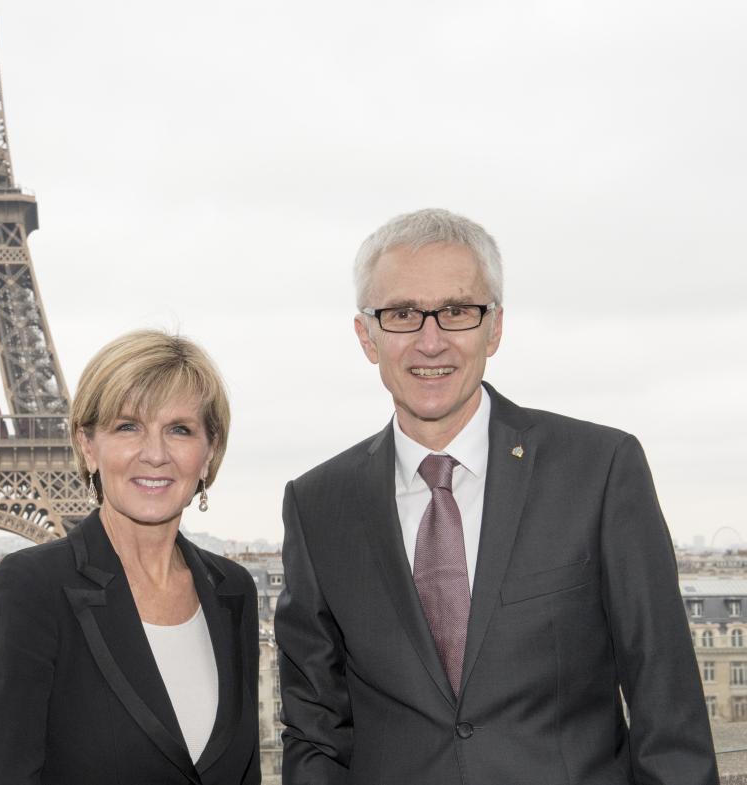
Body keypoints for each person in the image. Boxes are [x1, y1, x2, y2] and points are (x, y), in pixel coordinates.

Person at [275, 208, 718, 784]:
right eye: (403, 314)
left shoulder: (600, 469)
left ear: (495, 327)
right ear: (367, 336)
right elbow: (315, 731)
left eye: (457, 311)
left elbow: (668, 707)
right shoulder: (318, 505)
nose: (430, 342)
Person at [0, 330, 260, 785]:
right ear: (88, 446)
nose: (155, 454)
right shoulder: (34, 587)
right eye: (128, 426)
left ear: (209, 454)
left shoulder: (233, 590)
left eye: (179, 430)